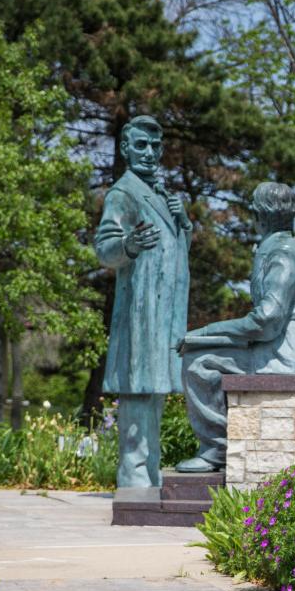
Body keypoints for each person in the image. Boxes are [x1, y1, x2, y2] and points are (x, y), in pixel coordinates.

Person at [175, 182, 295, 473]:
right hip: (283, 346)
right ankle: (220, 446)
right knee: (204, 353)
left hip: (291, 355)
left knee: (197, 361)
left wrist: (203, 333)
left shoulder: (282, 254)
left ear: (259, 217)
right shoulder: (280, 248)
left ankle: (218, 449)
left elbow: (266, 322)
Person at [93, 115, 192, 488]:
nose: (149, 154)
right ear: (125, 149)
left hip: (164, 314)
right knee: (138, 390)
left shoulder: (162, 195)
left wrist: (184, 225)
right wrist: (128, 246)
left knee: (154, 393)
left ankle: (149, 474)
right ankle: (133, 478)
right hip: (141, 313)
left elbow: (173, 252)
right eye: (141, 146)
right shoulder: (123, 193)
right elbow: (105, 248)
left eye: (155, 146)